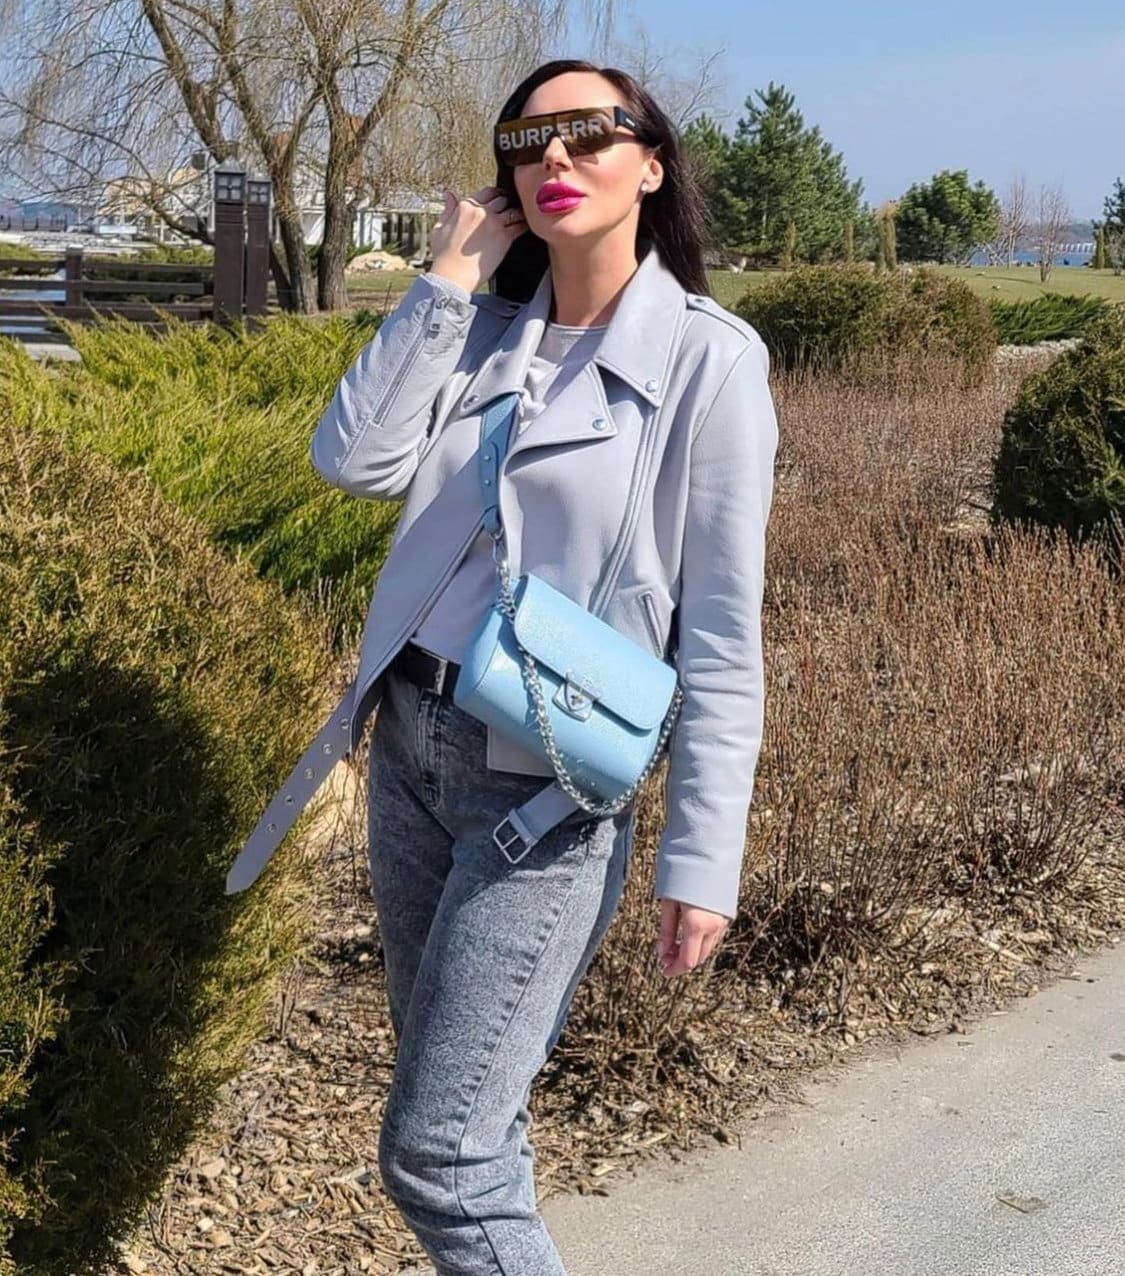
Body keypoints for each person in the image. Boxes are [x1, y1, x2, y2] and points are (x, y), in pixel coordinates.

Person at [307, 57, 778, 1276]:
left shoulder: (711, 363)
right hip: (410, 752)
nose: (554, 158)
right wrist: (447, 276)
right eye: (527, 140)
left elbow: (722, 637)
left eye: (588, 134)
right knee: (474, 1123)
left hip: (546, 789)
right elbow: (354, 461)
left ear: (652, 163)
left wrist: (702, 860)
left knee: (440, 1155)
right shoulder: (478, 336)